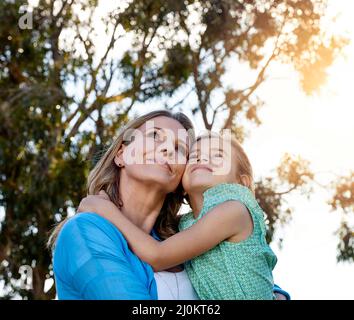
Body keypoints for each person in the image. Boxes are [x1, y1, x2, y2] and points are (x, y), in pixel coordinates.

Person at [49, 110, 289, 300]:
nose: (166, 148)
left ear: (181, 178)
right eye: (154, 136)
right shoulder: (85, 231)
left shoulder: (182, 235)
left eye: (180, 149)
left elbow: (246, 273)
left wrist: (278, 295)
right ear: (121, 154)